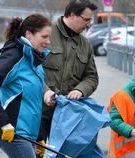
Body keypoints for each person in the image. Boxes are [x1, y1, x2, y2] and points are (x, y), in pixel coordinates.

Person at [0, 13, 52, 158]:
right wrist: (3, 124)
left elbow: (33, 101)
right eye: (44, 37)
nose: (48, 41)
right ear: (29, 34)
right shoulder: (14, 56)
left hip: (30, 134)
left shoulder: (34, 59)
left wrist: (40, 135)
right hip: (13, 134)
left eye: (49, 37)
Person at [36, 0, 99, 155]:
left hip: (67, 116)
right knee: (35, 153)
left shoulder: (85, 44)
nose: (88, 24)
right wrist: (45, 92)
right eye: (86, 19)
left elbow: (92, 77)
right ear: (71, 15)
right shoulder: (45, 33)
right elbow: (30, 70)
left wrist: (80, 90)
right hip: (39, 113)